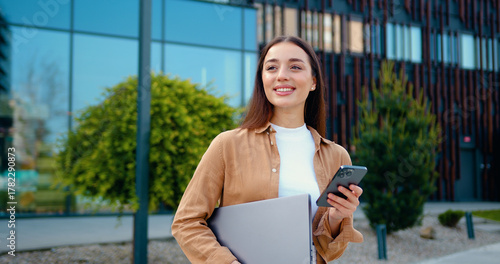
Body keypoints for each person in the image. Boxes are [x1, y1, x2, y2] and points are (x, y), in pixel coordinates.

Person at [171, 35, 363, 264]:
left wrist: (336, 216)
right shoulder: (227, 145)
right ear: (263, 79)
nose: (282, 74)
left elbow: (328, 251)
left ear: (313, 82)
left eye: (295, 66)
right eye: (271, 67)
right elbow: (187, 222)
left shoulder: (336, 156)